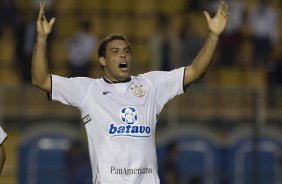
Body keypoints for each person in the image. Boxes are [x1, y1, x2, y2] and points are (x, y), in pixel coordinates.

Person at [32, 1, 229, 183]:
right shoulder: (88, 90)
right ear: (102, 60)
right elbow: (40, 79)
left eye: (126, 51)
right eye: (115, 52)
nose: (123, 55)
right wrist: (41, 39)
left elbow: (195, 71)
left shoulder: (151, 85)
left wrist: (213, 36)